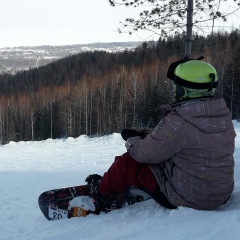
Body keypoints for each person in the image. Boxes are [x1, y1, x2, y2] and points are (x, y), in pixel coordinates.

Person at [73, 59, 236, 213]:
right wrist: (146, 134)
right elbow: (189, 141)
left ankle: (102, 195)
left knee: (128, 162)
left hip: (189, 198)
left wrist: (132, 140)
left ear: (182, 89)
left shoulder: (178, 122)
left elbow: (144, 154)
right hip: (220, 194)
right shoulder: (222, 117)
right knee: (168, 157)